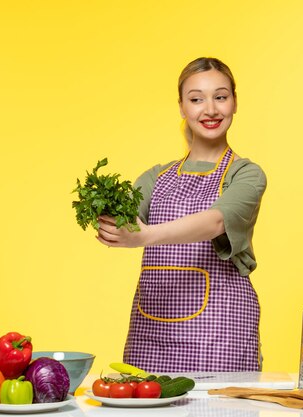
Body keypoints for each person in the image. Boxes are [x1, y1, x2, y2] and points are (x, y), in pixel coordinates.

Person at [96, 57, 267, 372]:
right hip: (152, 332)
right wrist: (106, 219)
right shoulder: (155, 178)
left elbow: (216, 221)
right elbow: (125, 217)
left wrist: (144, 236)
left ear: (234, 103)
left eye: (220, 96)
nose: (210, 109)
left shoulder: (246, 174)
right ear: (182, 107)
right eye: (196, 99)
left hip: (220, 332)